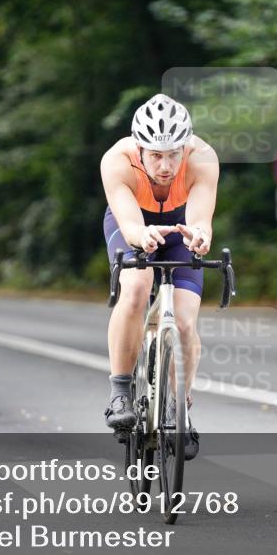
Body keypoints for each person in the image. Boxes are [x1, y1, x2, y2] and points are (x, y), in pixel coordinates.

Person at [99, 93, 219, 460]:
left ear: (186, 147)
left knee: (184, 320)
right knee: (135, 287)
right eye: (155, 155)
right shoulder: (117, 161)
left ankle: (179, 409)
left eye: (173, 154)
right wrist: (141, 236)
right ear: (139, 150)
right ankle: (120, 391)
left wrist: (199, 234)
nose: (165, 165)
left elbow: (200, 219)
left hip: (179, 226)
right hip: (132, 223)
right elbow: (130, 222)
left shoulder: (203, 159)